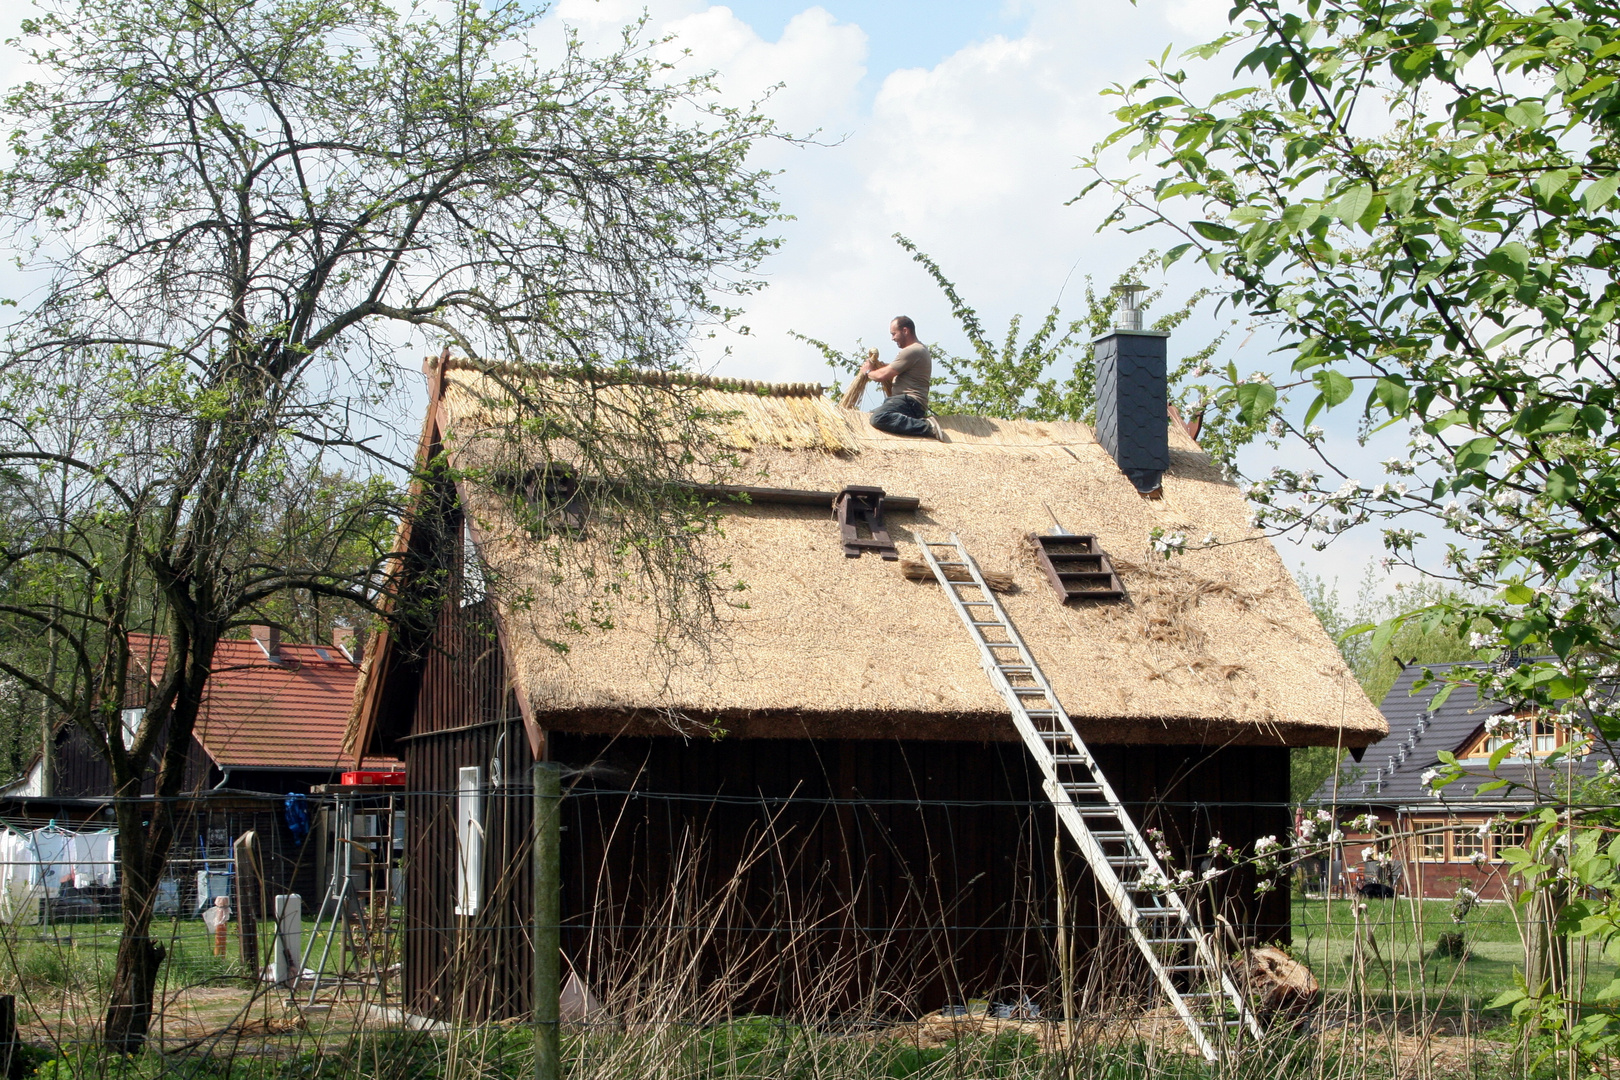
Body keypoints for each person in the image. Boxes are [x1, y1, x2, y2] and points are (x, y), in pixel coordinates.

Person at [860, 316, 939, 438]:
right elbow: (893, 369)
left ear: (905, 331)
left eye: (894, 334)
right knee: (869, 415)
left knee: (878, 417)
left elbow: (883, 375)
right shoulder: (918, 349)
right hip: (906, 402)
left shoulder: (913, 350)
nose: (892, 338)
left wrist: (868, 371)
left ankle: (927, 427)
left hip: (909, 401)